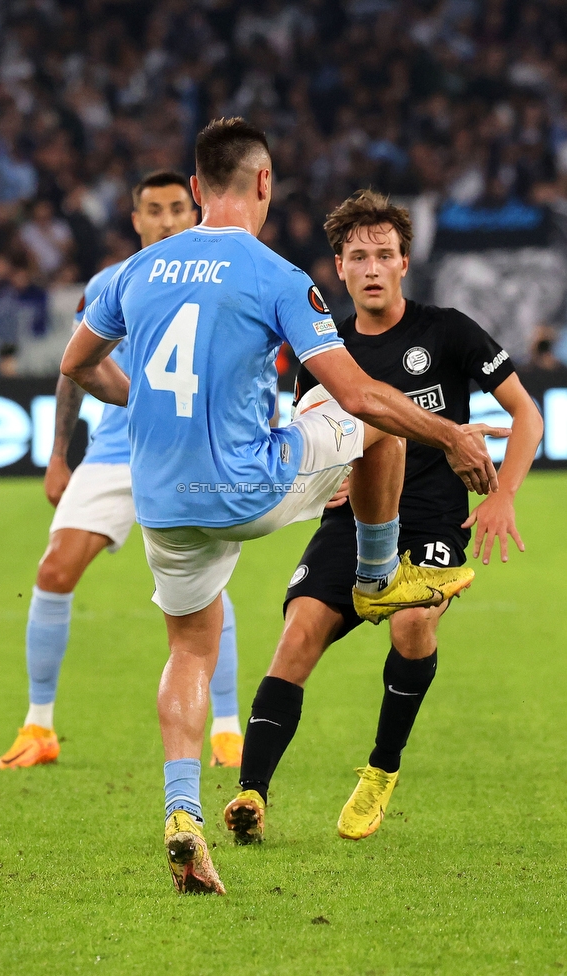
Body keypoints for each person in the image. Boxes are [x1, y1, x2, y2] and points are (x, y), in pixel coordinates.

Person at [60, 118, 508, 896]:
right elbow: (360, 394)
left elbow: (79, 366)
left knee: (191, 649)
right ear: (264, 184)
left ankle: (182, 814)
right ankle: (376, 577)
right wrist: (456, 438)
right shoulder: (275, 276)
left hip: (162, 500)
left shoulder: (131, 273)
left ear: (195, 190)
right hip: (247, 486)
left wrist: (143, 409)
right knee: (377, 424)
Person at [224, 189, 543, 846]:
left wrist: (503, 494)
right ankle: (250, 793)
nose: (371, 267)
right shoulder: (326, 345)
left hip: (431, 524)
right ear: (338, 267)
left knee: (414, 623)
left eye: (384, 255)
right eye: (357, 256)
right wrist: (327, 480)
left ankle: (381, 768)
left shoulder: (447, 330)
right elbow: (306, 431)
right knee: (297, 636)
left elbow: (527, 414)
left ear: (404, 264)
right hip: (352, 521)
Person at [0, 171, 245, 773]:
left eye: (175, 209)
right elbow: (72, 369)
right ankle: (39, 725)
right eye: (153, 211)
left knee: (205, 587)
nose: (165, 220)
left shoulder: (228, 278)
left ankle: (227, 729)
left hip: (190, 449)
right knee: (54, 570)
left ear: (194, 213)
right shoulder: (112, 282)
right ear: (135, 220)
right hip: (116, 450)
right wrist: (60, 454)